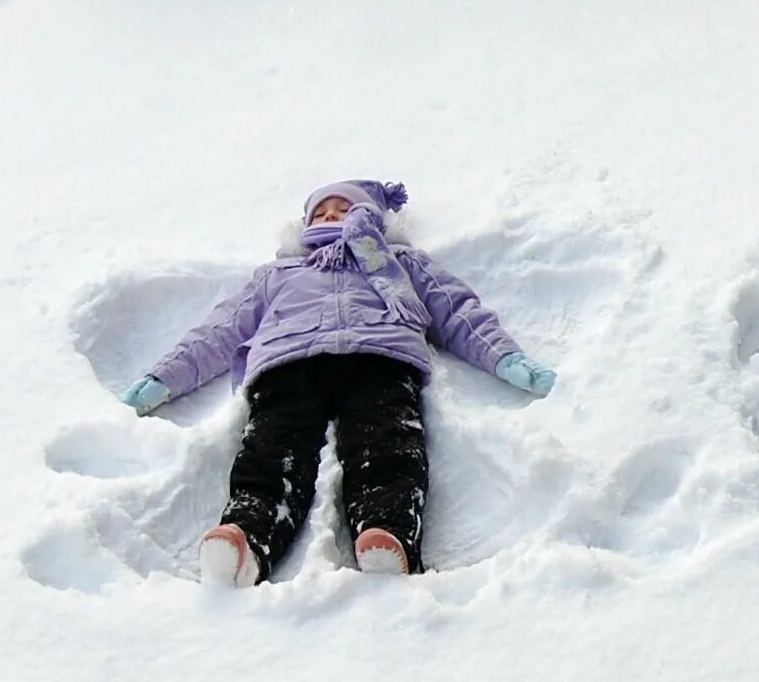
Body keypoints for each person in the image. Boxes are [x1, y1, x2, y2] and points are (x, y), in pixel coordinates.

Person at [119, 180, 557, 586]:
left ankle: (387, 531)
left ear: (373, 219)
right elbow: (221, 330)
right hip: (287, 364)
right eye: (321, 211)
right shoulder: (281, 272)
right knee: (272, 446)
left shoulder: (401, 263)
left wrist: (504, 357)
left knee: (386, 440)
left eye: (345, 209)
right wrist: (166, 377)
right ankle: (247, 537)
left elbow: (456, 310)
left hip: (379, 359)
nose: (331, 216)